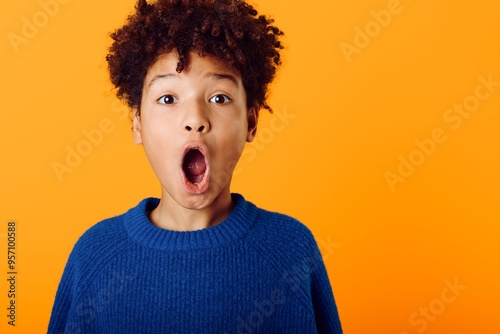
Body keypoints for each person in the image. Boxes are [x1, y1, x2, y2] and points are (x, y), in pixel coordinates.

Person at [48, 0, 343, 333]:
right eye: (168, 98)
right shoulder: (95, 256)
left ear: (250, 121)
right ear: (138, 124)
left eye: (219, 98)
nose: (195, 120)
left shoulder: (290, 251)